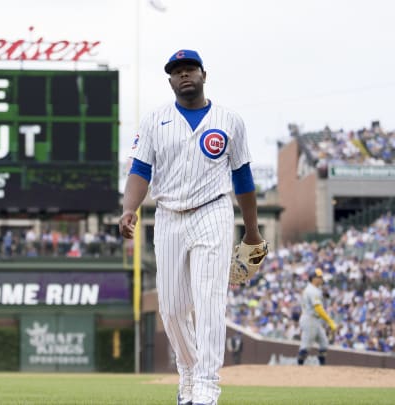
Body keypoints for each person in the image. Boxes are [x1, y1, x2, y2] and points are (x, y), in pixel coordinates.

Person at [119, 49, 263, 405]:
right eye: (177, 71)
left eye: (190, 69)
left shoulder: (229, 120)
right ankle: (187, 374)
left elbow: (242, 178)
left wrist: (253, 231)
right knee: (171, 306)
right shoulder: (155, 120)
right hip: (168, 216)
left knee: (209, 301)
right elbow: (140, 170)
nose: (184, 75)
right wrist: (129, 209)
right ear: (170, 80)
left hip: (213, 212)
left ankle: (207, 387)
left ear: (203, 75)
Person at [297, 268, 337, 366]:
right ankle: (298, 368)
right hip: (309, 319)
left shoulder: (314, 289)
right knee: (306, 346)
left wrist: (324, 294)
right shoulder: (312, 291)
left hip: (314, 320)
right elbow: (318, 309)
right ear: (313, 279)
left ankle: (322, 367)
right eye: (319, 277)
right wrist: (329, 321)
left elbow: (321, 294)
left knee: (324, 343)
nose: (321, 279)